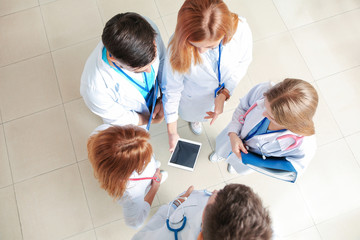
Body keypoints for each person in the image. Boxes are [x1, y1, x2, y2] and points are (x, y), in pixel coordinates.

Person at [162, 0, 253, 151]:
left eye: (211, 46)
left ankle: (198, 119)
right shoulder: (176, 49)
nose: (202, 51)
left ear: (225, 32)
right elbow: (171, 90)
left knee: (205, 113)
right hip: (192, 97)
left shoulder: (241, 29)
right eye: (195, 45)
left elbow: (243, 62)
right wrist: (172, 132)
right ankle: (194, 120)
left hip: (217, 96)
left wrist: (225, 93)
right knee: (193, 114)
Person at [210, 78, 319, 181]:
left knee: (238, 164)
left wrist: (254, 162)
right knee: (222, 148)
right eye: (264, 106)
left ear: (288, 123)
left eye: (271, 116)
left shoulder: (304, 145)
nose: (263, 113)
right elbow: (243, 108)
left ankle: (234, 164)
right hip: (234, 136)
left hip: (252, 157)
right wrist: (233, 134)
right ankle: (221, 154)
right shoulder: (264, 90)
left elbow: (294, 170)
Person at [81, 13, 166, 129]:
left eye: (152, 62)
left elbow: (163, 60)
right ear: (113, 59)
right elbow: (121, 118)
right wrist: (150, 120)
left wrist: (164, 97)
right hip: (133, 117)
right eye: (139, 70)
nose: (149, 71)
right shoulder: (95, 89)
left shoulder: (146, 27)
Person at [87, 124, 168, 228]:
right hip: (146, 183)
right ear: (127, 169)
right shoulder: (132, 192)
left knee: (154, 165)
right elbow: (135, 223)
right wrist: (154, 188)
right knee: (158, 170)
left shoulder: (101, 131)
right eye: (143, 159)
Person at [132, 184, 272, 240]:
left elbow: (150, 229)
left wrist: (175, 205)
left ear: (204, 216)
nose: (215, 191)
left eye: (215, 195)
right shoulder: (259, 232)